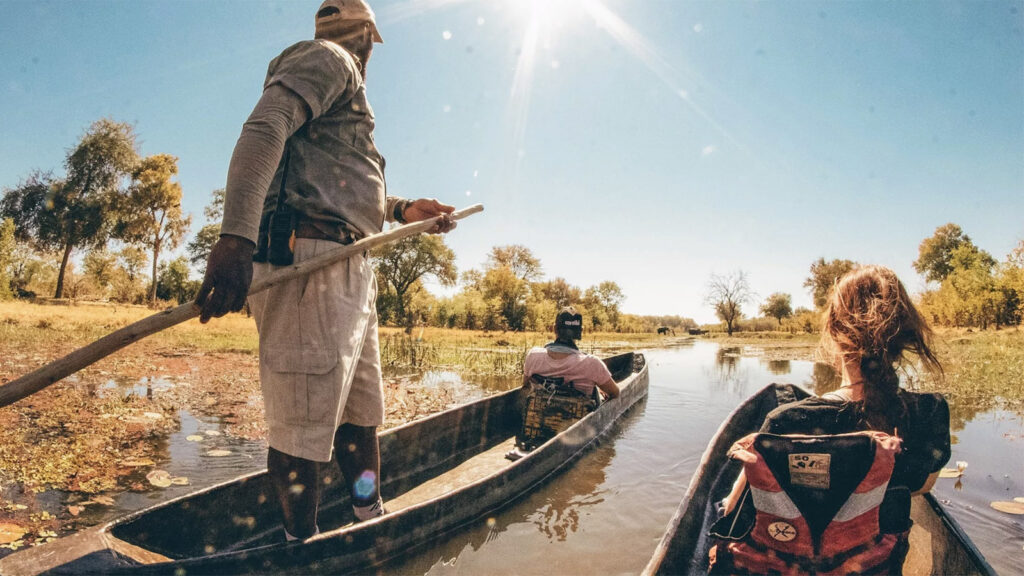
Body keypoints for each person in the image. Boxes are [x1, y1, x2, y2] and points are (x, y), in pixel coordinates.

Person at [194, 0, 456, 541]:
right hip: (308, 263)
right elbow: (265, 129)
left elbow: (335, 181)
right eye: (370, 44)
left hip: (349, 263)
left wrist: (403, 209)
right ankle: (302, 546)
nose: (370, 54)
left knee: (360, 415)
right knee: (301, 428)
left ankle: (367, 517)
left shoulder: (341, 85)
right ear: (365, 36)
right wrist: (236, 237)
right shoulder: (331, 58)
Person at [713, 265, 951, 574]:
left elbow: (734, 510)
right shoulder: (929, 412)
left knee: (722, 506)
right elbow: (922, 486)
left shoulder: (786, 421)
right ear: (903, 333)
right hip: (875, 568)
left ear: (835, 333)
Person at [522, 306, 620, 401]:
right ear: (581, 331)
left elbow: (526, 386)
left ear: (554, 329)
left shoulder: (533, 355)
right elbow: (615, 393)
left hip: (539, 411)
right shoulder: (592, 363)